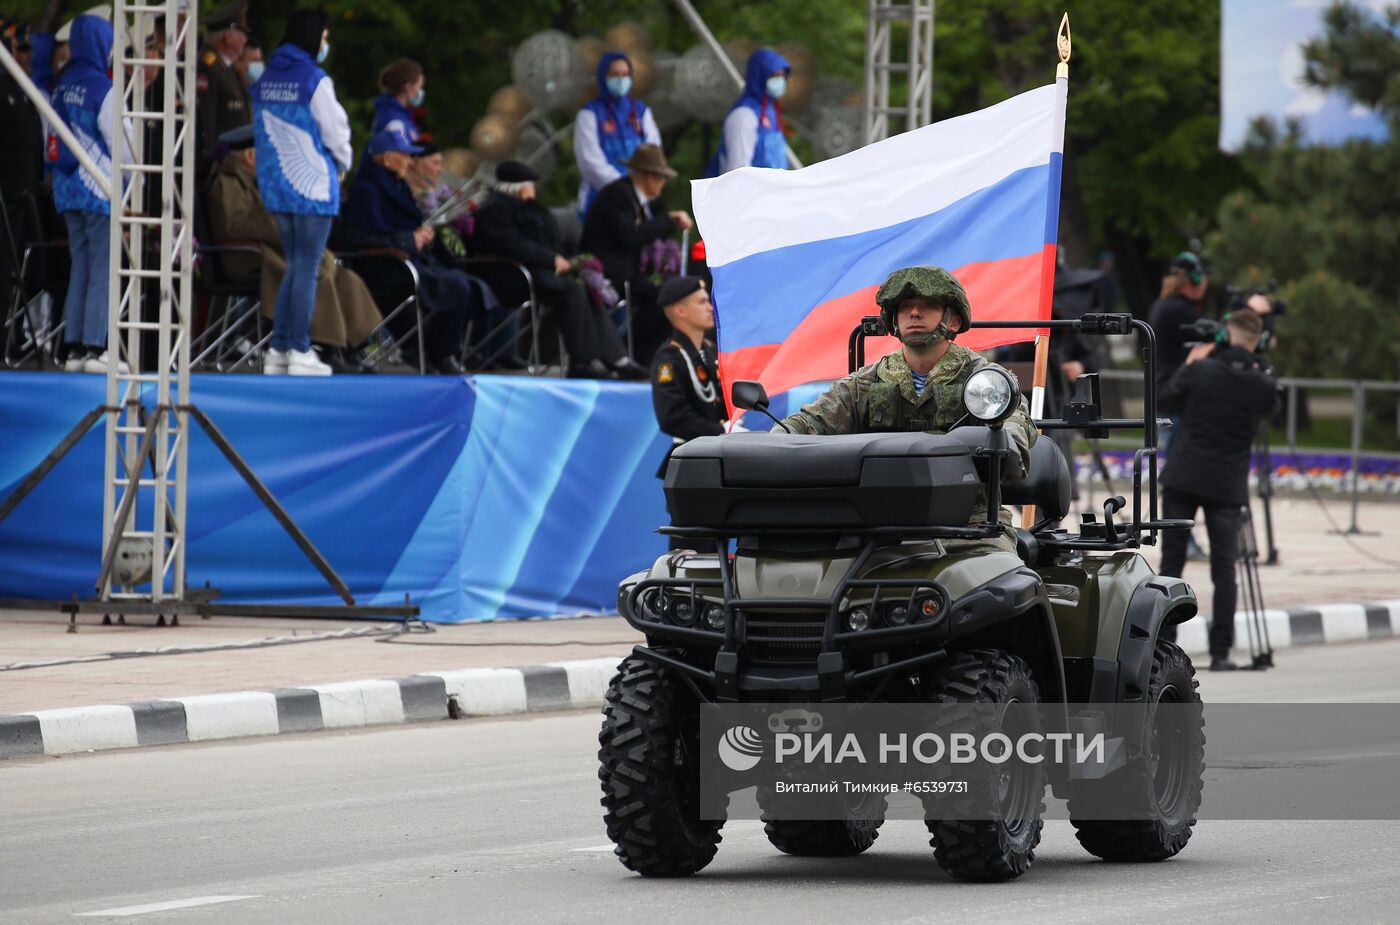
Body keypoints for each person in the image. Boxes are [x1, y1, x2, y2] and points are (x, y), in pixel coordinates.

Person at [778, 266, 1037, 555]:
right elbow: (807, 423)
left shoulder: (985, 382)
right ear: (894, 320)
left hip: (971, 528)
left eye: (928, 306)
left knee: (995, 583)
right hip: (879, 529)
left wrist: (1006, 442)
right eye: (905, 307)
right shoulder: (865, 383)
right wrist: (772, 444)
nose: (914, 313)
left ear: (953, 320)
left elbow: (1014, 429)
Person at [1156, 309, 1278, 671]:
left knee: (1171, 564)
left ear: (1225, 335)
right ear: (1255, 342)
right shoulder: (1263, 383)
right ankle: (1221, 652)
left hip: (1184, 476)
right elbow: (1273, 407)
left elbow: (1166, 398)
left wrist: (1192, 361)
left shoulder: (1202, 370)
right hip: (1226, 485)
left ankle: (1164, 645)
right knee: (1225, 568)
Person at [206, 125, 382, 372]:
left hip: (272, 251)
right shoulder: (227, 182)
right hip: (249, 258)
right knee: (313, 274)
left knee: (337, 273)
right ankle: (322, 347)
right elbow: (234, 226)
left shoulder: (257, 181)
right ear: (250, 156)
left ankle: (350, 346)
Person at [341, 128, 496, 375]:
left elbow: (404, 228)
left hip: (408, 261)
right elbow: (355, 238)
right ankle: (440, 354)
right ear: (386, 158)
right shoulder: (367, 191)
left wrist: (422, 235)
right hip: (385, 266)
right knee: (456, 286)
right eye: (405, 155)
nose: (410, 161)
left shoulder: (397, 186)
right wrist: (408, 240)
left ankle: (439, 350)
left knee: (469, 285)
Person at [471, 161, 644, 379]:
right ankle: (582, 360)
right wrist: (551, 258)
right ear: (523, 187)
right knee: (572, 290)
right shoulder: (495, 209)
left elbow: (546, 241)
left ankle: (615, 357)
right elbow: (511, 244)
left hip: (537, 271)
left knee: (586, 287)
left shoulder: (529, 208)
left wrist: (573, 260)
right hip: (509, 274)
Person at [251, 9, 351, 376]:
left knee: (294, 266)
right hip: (311, 186)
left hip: (277, 186)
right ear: (314, 36)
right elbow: (335, 132)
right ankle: (298, 349)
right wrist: (342, 164)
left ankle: (279, 348)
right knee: (306, 268)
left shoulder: (265, 78)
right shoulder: (313, 78)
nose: (326, 43)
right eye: (325, 36)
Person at [49, 13, 128, 373]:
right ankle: (97, 348)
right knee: (102, 270)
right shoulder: (103, 88)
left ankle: (75, 347)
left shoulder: (59, 88)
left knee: (80, 268)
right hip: (101, 189)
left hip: (67, 191)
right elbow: (124, 147)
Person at [578, 143, 692, 364]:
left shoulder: (632, 198)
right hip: (607, 271)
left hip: (624, 270)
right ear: (647, 176)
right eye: (660, 177)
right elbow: (630, 237)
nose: (663, 184)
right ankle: (630, 355)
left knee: (670, 295)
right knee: (663, 298)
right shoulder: (618, 195)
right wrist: (668, 220)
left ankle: (635, 355)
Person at [649, 276, 725, 525]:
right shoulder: (669, 359)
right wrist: (719, 431)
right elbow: (672, 416)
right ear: (680, 310)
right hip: (690, 464)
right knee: (690, 548)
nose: (710, 307)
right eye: (702, 302)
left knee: (720, 547)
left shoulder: (712, 351)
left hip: (719, 460)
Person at [573, 50, 660, 216]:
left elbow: (654, 155)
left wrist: (641, 188)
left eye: (625, 74)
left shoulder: (641, 112)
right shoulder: (590, 114)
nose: (621, 79)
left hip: (638, 202)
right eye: (615, 74)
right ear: (603, 77)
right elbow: (590, 162)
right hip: (599, 201)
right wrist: (626, 189)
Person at [712, 47, 790, 174]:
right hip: (749, 192)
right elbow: (738, 171)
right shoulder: (744, 115)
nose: (780, 81)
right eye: (775, 76)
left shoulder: (771, 112)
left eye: (783, 76)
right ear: (760, 76)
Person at [196, 1, 251, 176]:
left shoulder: (225, 68)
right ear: (228, 37)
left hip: (233, 164)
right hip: (219, 166)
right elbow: (207, 116)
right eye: (242, 33)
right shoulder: (208, 66)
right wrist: (212, 159)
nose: (246, 40)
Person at [371, 59, 425, 141]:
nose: (420, 93)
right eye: (419, 87)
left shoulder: (401, 115)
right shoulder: (394, 120)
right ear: (408, 87)